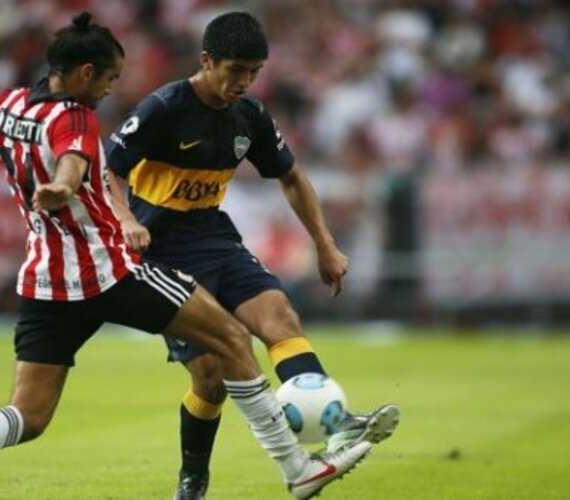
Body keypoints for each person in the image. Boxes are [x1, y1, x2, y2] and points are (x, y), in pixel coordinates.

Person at [0, 12, 372, 500]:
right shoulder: (77, 118)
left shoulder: (5, 107)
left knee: (28, 414)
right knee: (231, 339)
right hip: (109, 270)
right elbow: (76, 158)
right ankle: (296, 469)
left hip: (46, 278)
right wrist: (63, 184)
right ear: (85, 73)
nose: (109, 90)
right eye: (109, 78)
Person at [104, 11, 401, 499]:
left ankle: (337, 423)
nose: (244, 82)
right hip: (161, 253)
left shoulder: (250, 115)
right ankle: (193, 477)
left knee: (280, 315)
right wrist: (127, 221)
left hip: (215, 239)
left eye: (254, 73)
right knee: (211, 377)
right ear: (207, 61)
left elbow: (292, 176)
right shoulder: (164, 107)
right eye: (236, 70)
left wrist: (324, 245)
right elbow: (109, 168)